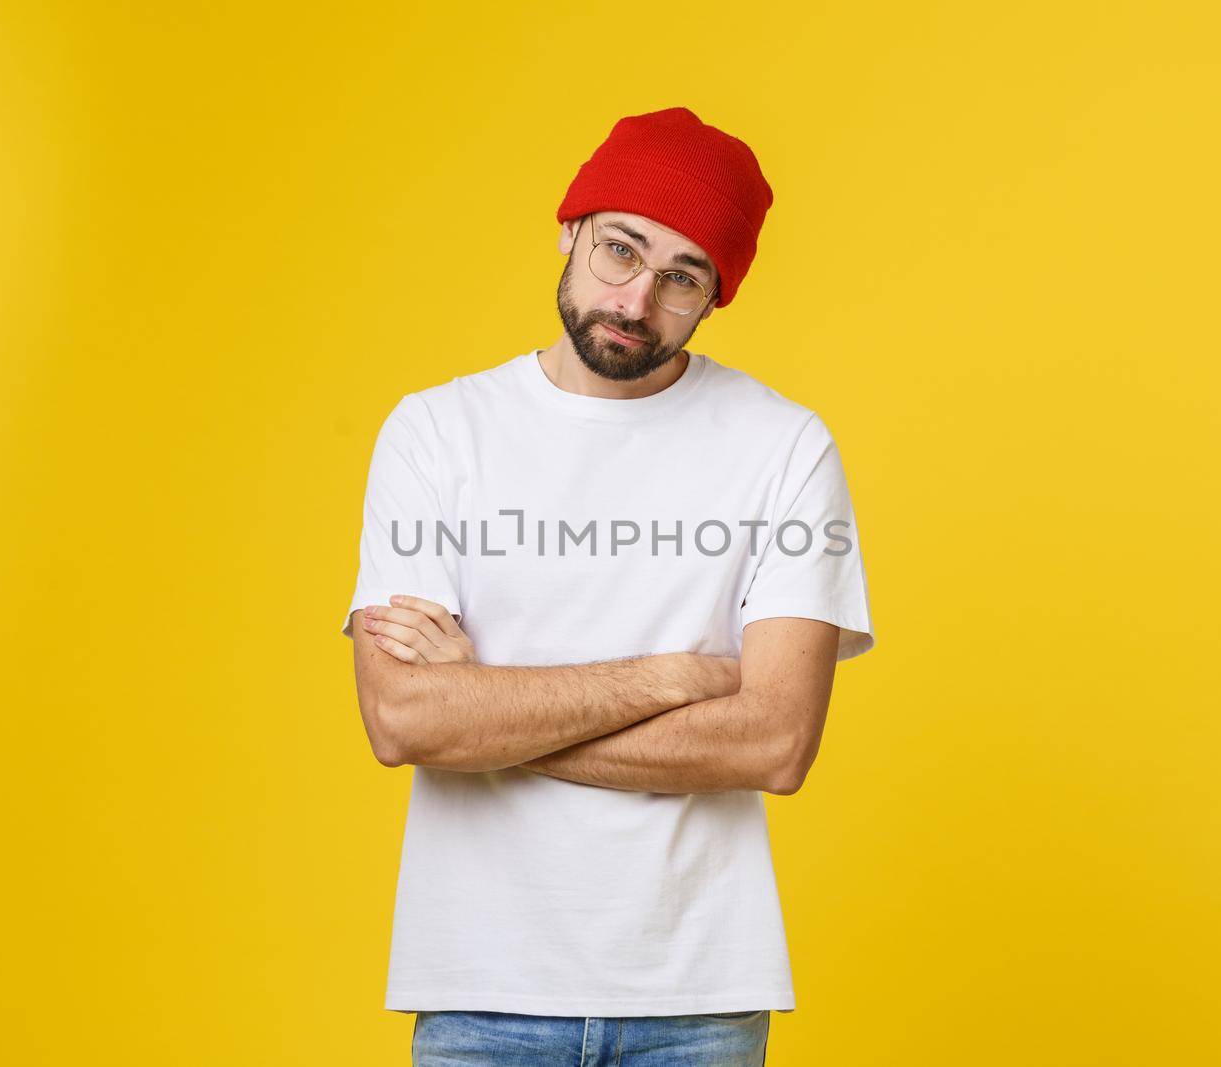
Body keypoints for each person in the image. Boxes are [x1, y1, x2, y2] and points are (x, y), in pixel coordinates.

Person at [341, 106, 875, 1066]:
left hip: (699, 995)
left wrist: (490, 712)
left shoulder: (785, 448)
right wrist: (677, 676)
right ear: (569, 230)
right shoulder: (434, 433)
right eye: (620, 252)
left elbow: (777, 739)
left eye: (683, 277)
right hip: (479, 988)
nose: (635, 302)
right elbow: (406, 722)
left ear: (717, 296)